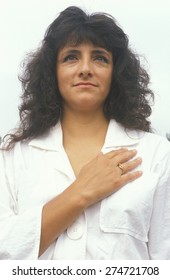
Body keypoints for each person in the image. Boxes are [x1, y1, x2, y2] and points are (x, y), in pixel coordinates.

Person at [0, 6, 170, 260]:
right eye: (71, 57)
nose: (85, 68)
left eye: (100, 57)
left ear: (116, 73)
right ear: (52, 71)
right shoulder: (11, 155)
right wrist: (80, 192)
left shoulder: (157, 154)